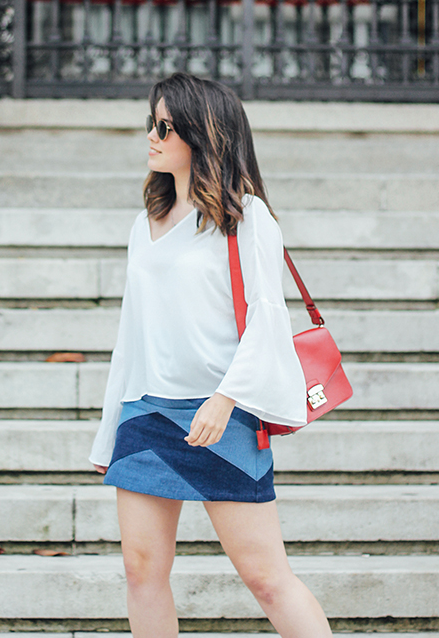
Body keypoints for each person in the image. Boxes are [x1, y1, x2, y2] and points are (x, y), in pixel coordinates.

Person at [89, 72, 333, 638]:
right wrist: (109, 433)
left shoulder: (245, 217)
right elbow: (132, 336)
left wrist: (226, 398)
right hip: (146, 413)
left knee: (266, 577)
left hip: (223, 413)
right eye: (151, 122)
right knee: (141, 569)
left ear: (204, 135)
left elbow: (269, 322)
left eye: (166, 126)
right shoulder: (143, 224)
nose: (152, 135)